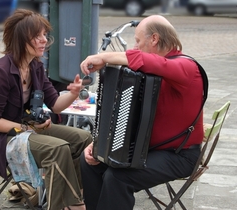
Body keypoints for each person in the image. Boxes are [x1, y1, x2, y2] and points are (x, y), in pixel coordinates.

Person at [80, 15, 204, 210]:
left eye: (138, 41)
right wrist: (99, 145)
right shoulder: (151, 73)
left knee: (118, 177)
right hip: (149, 149)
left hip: (180, 155)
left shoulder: (186, 67)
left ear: (154, 39)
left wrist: (103, 57)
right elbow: (132, 119)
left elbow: (150, 61)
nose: (135, 47)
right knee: (90, 162)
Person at [0, 9, 92, 210]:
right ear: (20, 39)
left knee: (83, 139)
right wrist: (27, 128)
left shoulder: (35, 66)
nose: (44, 40)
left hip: (25, 129)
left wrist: (72, 93)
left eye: (45, 34)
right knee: (57, 149)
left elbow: (54, 104)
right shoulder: (0, 72)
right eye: (37, 36)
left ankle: (75, 198)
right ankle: (70, 206)